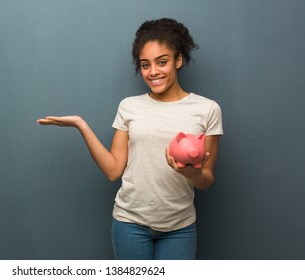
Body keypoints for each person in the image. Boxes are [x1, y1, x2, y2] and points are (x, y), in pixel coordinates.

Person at [37, 18, 223, 260]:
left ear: (179, 60)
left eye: (162, 62)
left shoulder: (207, 109)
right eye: (145, 65)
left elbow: (206, 179)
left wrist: (189, 172)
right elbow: (114, 170)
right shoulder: (129, 106)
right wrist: (81, 125)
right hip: (130, 224)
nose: (153, 72)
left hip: (180, 227)